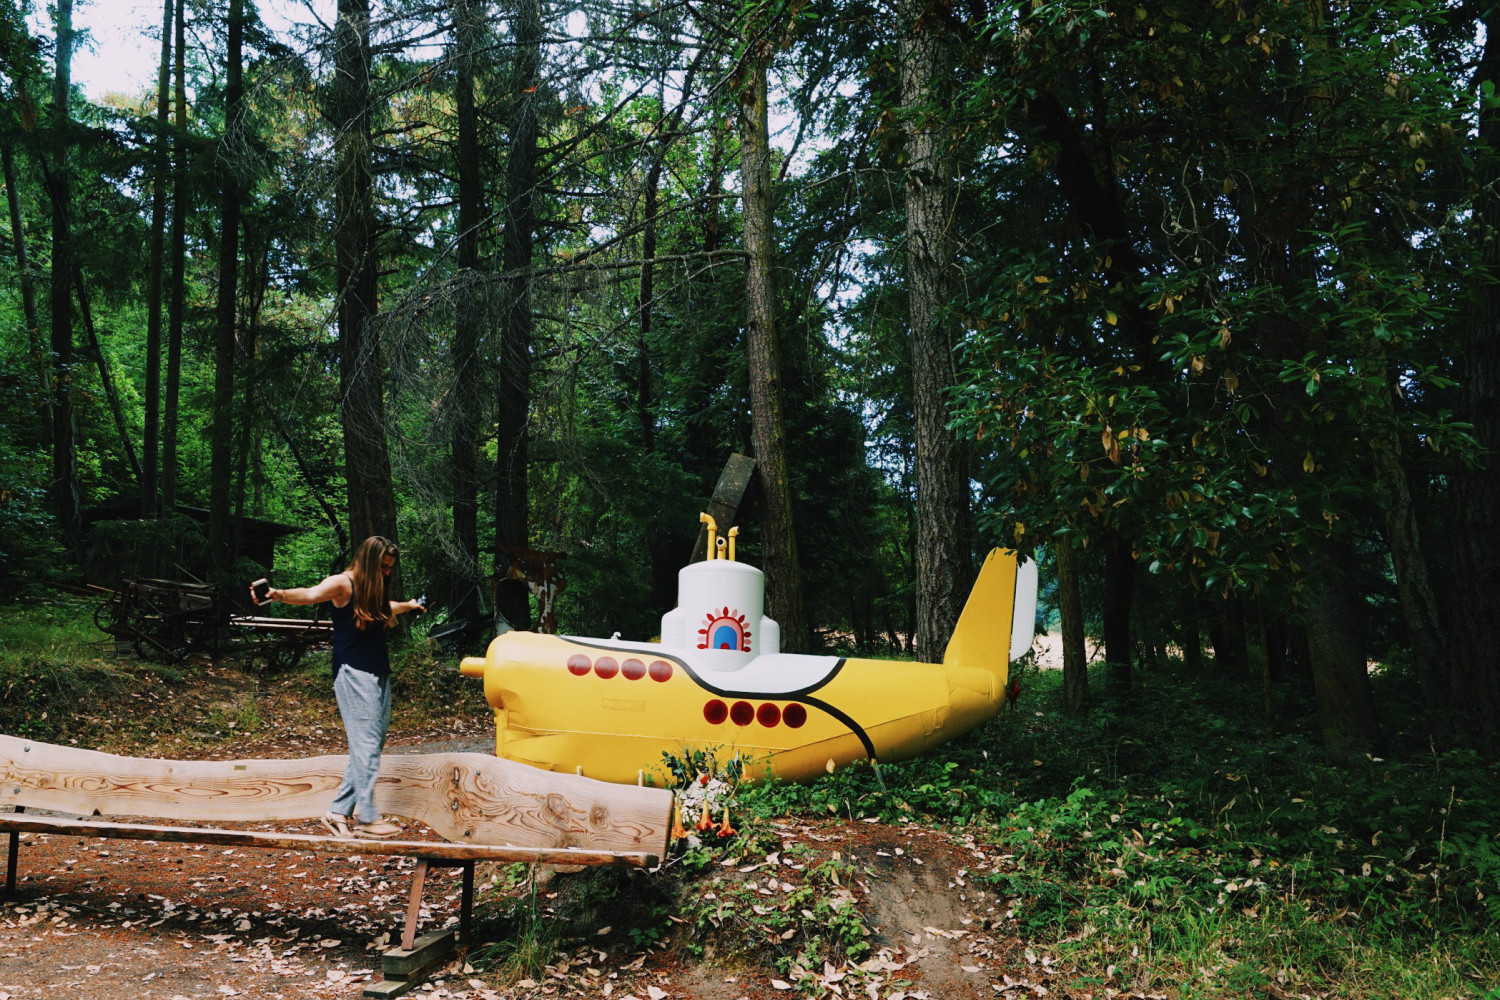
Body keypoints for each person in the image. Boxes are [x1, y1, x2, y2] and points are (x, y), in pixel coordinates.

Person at [251, 536, 424, 838]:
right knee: (366, 746)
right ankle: (368, 819)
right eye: (383, 567)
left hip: (378, 671)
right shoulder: (342, 584)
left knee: (369, 747)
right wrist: (277, 593)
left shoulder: (372, 588)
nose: (386, 573)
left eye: (390, 569)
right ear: (369, 561)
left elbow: (387, 607)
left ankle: (337, 812)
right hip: (353, 672)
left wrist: (409, 606)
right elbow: (309, 594)